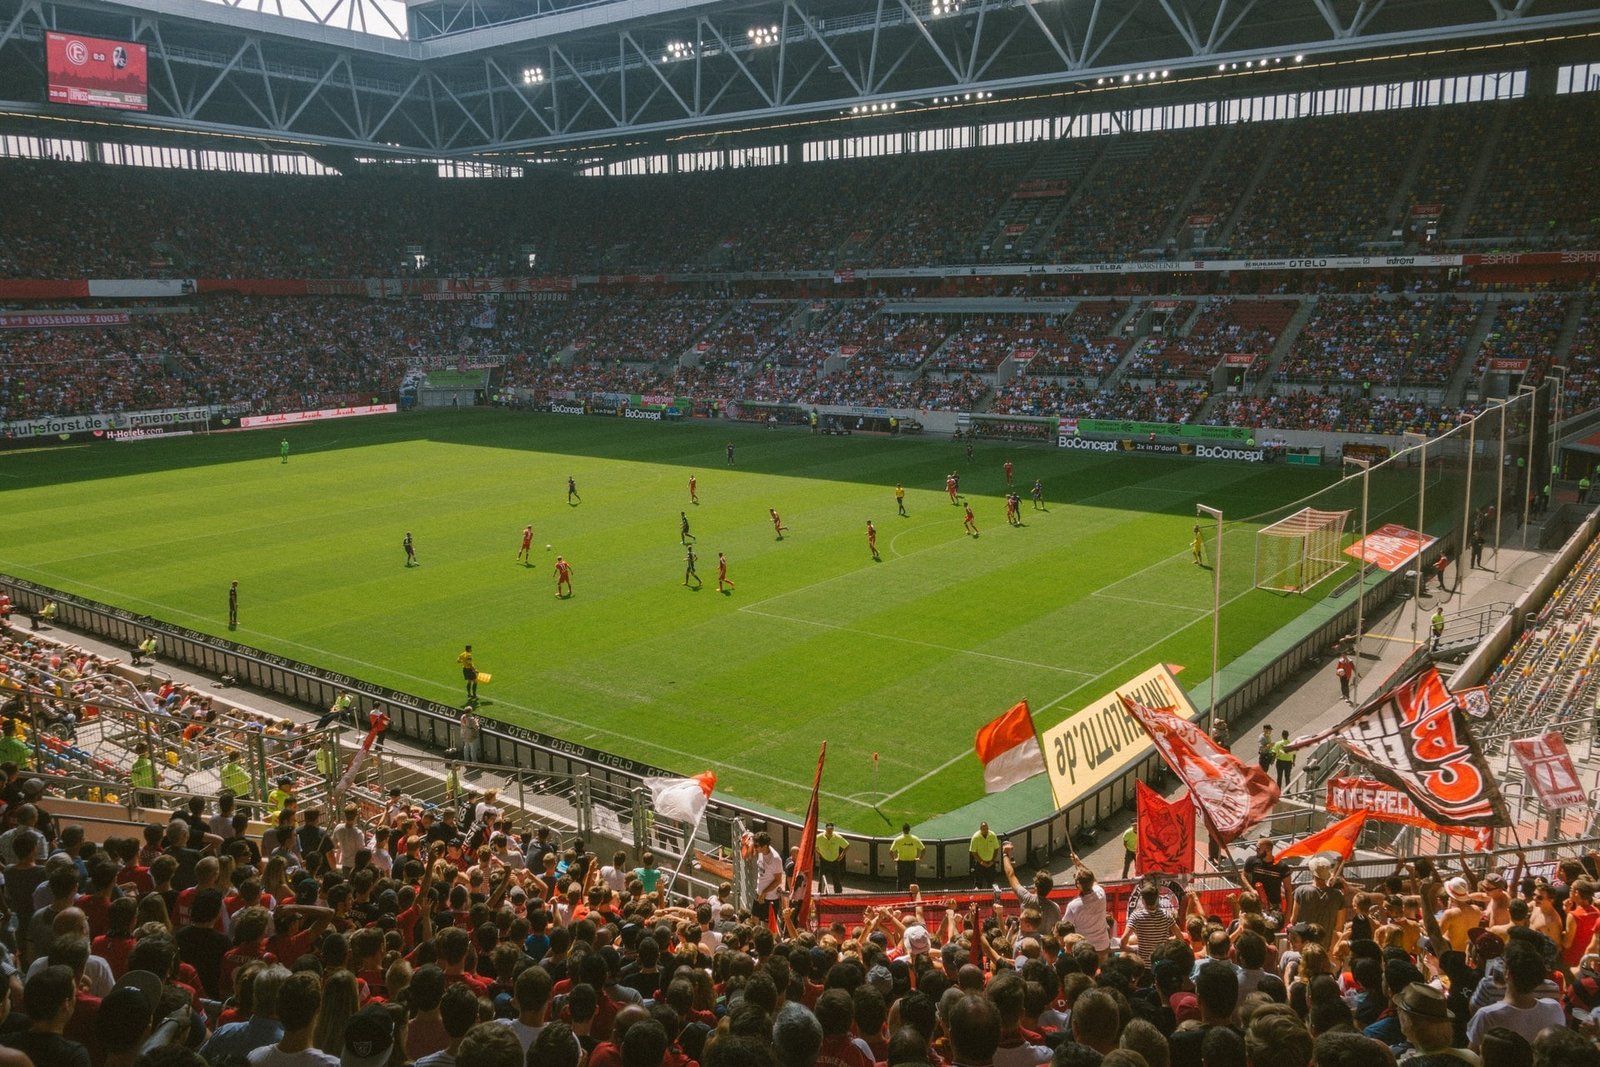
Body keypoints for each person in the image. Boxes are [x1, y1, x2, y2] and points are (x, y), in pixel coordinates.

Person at [889, 823, 923, 891]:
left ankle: (899, 893)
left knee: (900, 879)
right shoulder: (915, 839)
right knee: (912, 878)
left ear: (902, 830)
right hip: (912, 862)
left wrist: (894, 859)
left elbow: (890, 851)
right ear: (909, 829)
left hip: (901, 862)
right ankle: (914, 893)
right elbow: (923, 849)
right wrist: (920, 858)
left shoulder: (898, 839)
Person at [814, 823, 847, 894]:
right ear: (825, 829)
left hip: (834, 861)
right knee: (821, 880)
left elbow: (847, 845)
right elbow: (813, 845)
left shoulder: (837, 837)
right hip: (824, 861)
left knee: (837, 880)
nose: (829, 831)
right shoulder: (819, 837)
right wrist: (818, 853)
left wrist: (842, 856)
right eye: (828, 829)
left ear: (833, 829)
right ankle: (821, 895)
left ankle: (838, 896)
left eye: (831, 829)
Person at [968, 822, 1000, 889]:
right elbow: (973, 852)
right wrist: (981, 862)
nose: (985, 830)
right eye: (983, 829)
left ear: (988, 828)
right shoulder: (975, 837)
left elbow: (996, 848)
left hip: (990, 864)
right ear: (980, 829)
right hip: (980, 864)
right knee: (978, 883)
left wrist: (992, 861)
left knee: (991, 883)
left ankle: (991, 898)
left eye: (986, 828)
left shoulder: (992, 835)